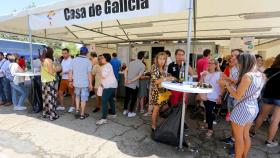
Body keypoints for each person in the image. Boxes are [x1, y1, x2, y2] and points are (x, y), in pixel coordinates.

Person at [218, 53, 265, 158]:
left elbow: (237, 95)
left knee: (238, 139)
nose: (237, 64)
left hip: (242, 108)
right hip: (253, 107)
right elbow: (246, 89)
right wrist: (231, 82)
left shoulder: (247, 76)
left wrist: (226, 85)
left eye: (238, 62)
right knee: (245, 136)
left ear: (244, 62)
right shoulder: (260, 75)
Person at [250, 53, 280, 147]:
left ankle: (253, 132)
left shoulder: (269, 70)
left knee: (262, 115)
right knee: (275, 120)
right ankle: (269, 141)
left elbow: (262, 82)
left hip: (268, 96)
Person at [221, 49, 243, 148]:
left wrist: (227, 79)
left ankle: (236, 146)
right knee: (233, 120)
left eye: (235, 55)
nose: (232, 57)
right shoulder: (233, 68)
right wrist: (225, 82)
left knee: (239, 123)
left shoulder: (244, 69)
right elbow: (231, 82)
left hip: (239, 98)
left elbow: (240, 83)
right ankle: (233, 138)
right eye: (232, 55)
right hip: (231, 95)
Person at [199, 59, 224, 138]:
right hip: (206, 96)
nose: (209, 64)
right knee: (207, 110)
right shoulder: (206, 73)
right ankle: (207, 124)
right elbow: (200, 84)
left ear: (216, 65)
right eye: (208, 63)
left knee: (209, 112)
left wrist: (220, 96)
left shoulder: (220, 74)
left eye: (211, 63)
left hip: (214, 96)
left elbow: (223, 87)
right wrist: (202, 76)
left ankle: (210, 129)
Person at [150, 52, 175, 131]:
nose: (162, 61)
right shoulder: (154, 67)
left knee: (165, 108)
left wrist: (170, 77)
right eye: (160, 59)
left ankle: (164, 125)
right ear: (157, 59)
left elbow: (165, 77)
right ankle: (153, 126)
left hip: (164, 92)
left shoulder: (163, 69)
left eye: (164, 59)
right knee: (156, 109)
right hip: (157, 92)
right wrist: (165, 78)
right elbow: (155, 81)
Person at [69, 47, 92, 120]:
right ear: (86, 53)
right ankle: (82, 115)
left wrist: (70, 81)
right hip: (84, 83)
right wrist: (90, 83)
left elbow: (70, 71)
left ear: (80, 52)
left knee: (77, 96)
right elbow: (89, 74)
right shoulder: (88, 61)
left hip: (76, 82)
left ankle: (77, 110)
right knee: (83, 99)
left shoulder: (73, 60)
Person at [96, 53, 118, 125]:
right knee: (110, 99)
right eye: (100, 58)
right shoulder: (107, 65)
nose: (101, 59)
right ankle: (113, 114)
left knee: (104, 100)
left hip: (109, 86)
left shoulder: (107, 66)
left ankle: (104, 119)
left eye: (102, 58)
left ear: (106, 59)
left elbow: (103, 76)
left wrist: (98, 69)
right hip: (111, 85)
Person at [123, 51, 146, 118]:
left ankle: (125, 110)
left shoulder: (131, 62)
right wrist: (131, 81)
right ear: (143, 57)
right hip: (134, 84)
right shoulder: (142, 65)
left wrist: (126, 79)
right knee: (133, 98)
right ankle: (130, 112)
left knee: (126, 97)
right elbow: (139, 76)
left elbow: (125, 71)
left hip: (127, 83)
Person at [41, 47, 59, 121]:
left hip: (44, 81)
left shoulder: (43, 60)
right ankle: (52, 115)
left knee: (45, 98)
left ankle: (45, 113)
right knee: (51, 98)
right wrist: (58, 68)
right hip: (50, 81)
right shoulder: (49, 60)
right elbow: (51, 71)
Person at [57, 48, 75, 113]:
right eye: (63, 53)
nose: (64, 55)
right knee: (60, 92)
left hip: (70, 79)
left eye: (65, 53)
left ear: (68, 53)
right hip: (63, 79)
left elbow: (72, 70)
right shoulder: (63, 60)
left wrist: (64, 72)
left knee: (72, 93)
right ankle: (62, 106)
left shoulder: (72, 60)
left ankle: (73, 106)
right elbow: (61, 68)